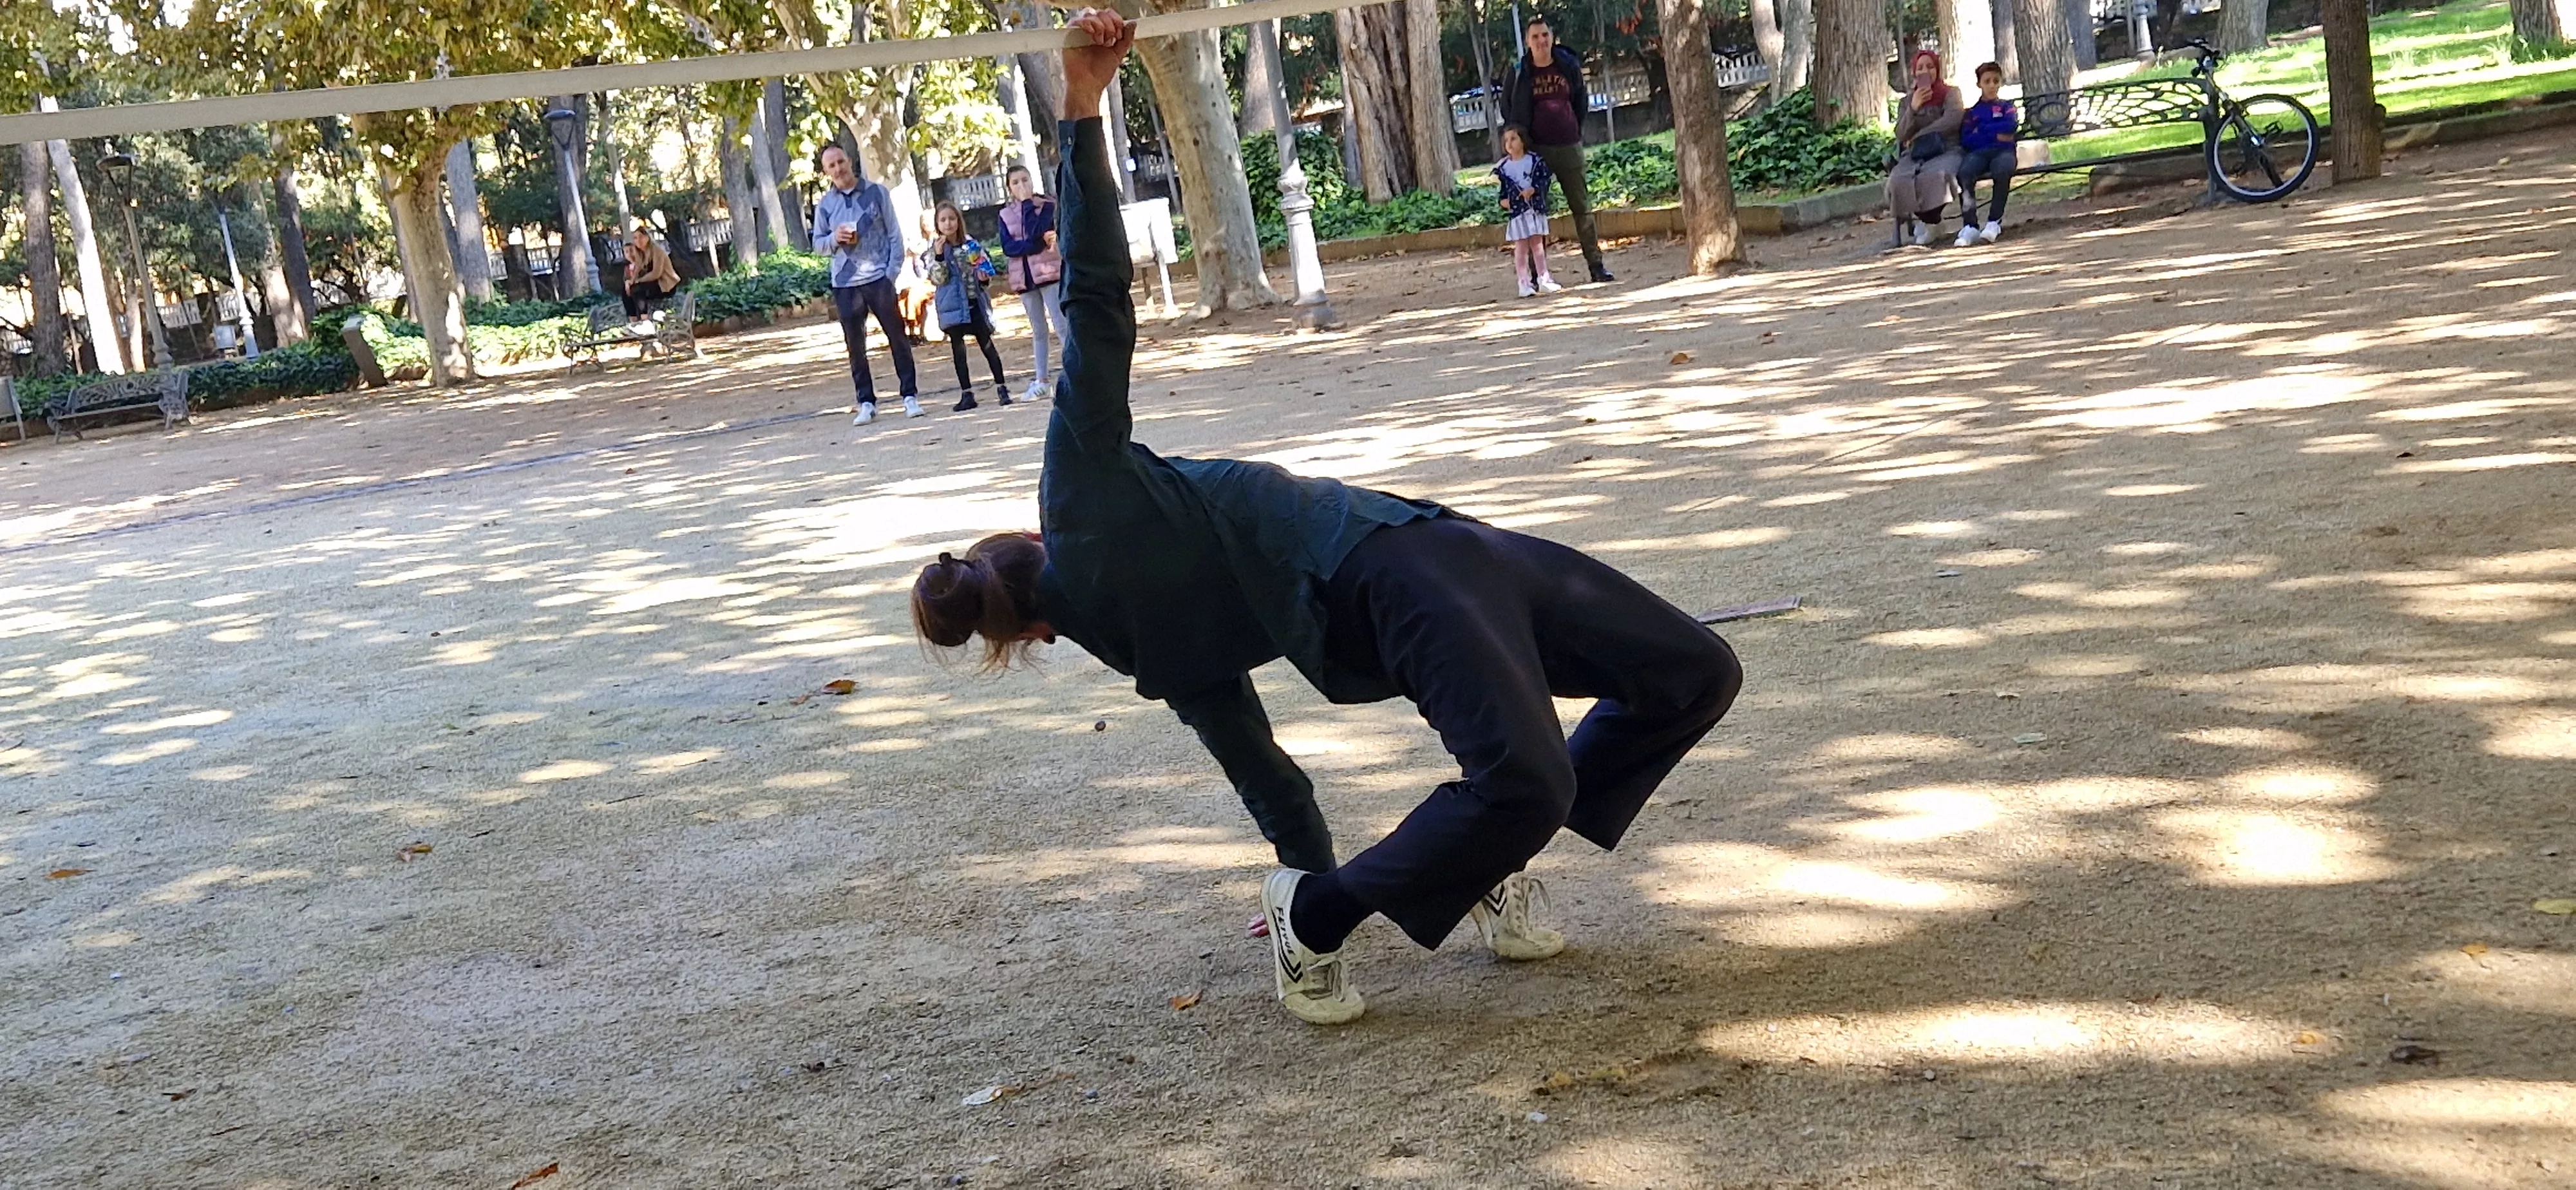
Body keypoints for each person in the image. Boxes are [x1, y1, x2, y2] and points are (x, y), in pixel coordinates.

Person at [909, 9, 1743, 1027]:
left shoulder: (1155, 659)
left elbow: (1271, 779)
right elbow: (1093, 297)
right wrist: (1082, 104)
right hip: (1407, 573)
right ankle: (1319, 918)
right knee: (1549, 769)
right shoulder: (1077, 492)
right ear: (1029, 544)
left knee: (1688, 676)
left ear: (1032, 634)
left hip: (1436, 545)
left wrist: (1302, 854)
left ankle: (1467, 857)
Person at [811, 143, 921, 424]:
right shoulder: (825, 205)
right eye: (832, 166)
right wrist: (834, 239)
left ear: (850, 161)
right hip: (845, 284)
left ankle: (909, 396)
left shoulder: (877, 193)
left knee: (898, 339)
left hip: (878, 279)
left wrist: (890, 274)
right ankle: (866, 402)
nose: (838, 169)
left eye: (841, 162)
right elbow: (818, 245)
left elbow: (895, 234)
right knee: (856, 347)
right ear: (826, 171)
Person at [1502, 17, 1615, 283]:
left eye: (1545, 35)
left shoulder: (1568, 65)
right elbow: (1508, 108)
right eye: (1535, 37)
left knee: (1582, 208)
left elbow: (1580, 101)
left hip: (1568, 146)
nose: (1541, 41)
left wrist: (1573, 128)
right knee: (1533, 212)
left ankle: (1596, 265)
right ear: (1528, 42)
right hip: (1536, 153)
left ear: (1552, 38)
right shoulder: (1519, 72)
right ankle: (1535, 275)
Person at [922, 201, 1012, 413]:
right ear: (937, 224)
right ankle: (967, 393)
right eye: (943, 220)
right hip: (952, 305)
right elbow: (938, 278)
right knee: (958, 349)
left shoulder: (971, 244)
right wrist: (939, 256)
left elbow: (984, 270)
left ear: (959, 221)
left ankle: (1002, 388)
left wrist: (984, 278)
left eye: (952, 219)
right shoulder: (935, 250)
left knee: (987, 345)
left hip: (974, 303)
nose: (948, 224)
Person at [996, 165, 1069, 403]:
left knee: (1061, 325)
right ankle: (1042, 380)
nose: (1021, 186)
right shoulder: (1005, 215)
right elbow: (1009, 247)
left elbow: (1037, 230)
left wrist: (1028, 204)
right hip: (1024, 279)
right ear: (1009, 188)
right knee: (1038, 330)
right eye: (1015, 182)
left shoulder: (1046, 206)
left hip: (1048, 274)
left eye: (1025, 180)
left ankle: (1075, 373)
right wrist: (1033, 245)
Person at [1888, 48, 1965, 249]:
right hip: (1915, 154)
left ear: (1937, 69)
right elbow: (1901, 134)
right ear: (1914, 73)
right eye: (1920, 68)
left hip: (1946, 150)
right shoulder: (1907, 102)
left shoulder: (1950, 94)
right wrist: (1913, 108)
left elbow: (1953, 119)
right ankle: (1931, 223)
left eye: (1930, 67)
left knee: (1937, 176)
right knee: (1898, 180)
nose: (1926, 71)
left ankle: (1931, 221)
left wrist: (1919, 135)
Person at [1955, 62, 2018, 247]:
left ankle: (1994, 222)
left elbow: (2011, 126)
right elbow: (1967, 139)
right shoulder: (1972, 113)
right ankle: (1970, 226)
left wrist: (1982, 130)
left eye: (1996, 81)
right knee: (1965, 173)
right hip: (1979, 153)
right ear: (1979, 84)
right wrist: (1996, 134)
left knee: (2003, 170)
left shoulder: (2007, 107)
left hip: (2004, 152)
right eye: (1987, 81)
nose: (1992, 85)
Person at [1493, 126, 1560, 298]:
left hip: (1534, 209)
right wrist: (1503, 201)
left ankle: (1544, 279)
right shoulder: (1504, 167)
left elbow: (1544, 180)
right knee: (1521, 247)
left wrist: (1534, 189)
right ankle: (1523, 283)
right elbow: (1503, 191)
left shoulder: (1535, 161)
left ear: (1523, 141)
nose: (1509, 143)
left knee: (1538, 245)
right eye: (1506, 140)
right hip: (1518, 213)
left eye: (1513, 139)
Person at [620, 224, 681, 322]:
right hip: (650, 285)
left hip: (665, 286)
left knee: (638, 289)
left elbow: (656, 273)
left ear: (647, 237)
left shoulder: (657, 251)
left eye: (641, 237)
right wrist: (630, 282)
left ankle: (645, 320)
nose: (638, 240)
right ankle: (633, 320)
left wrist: (639, 281)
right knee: (626, 291)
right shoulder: (640, 253)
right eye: (635, 238)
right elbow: (637, 270)